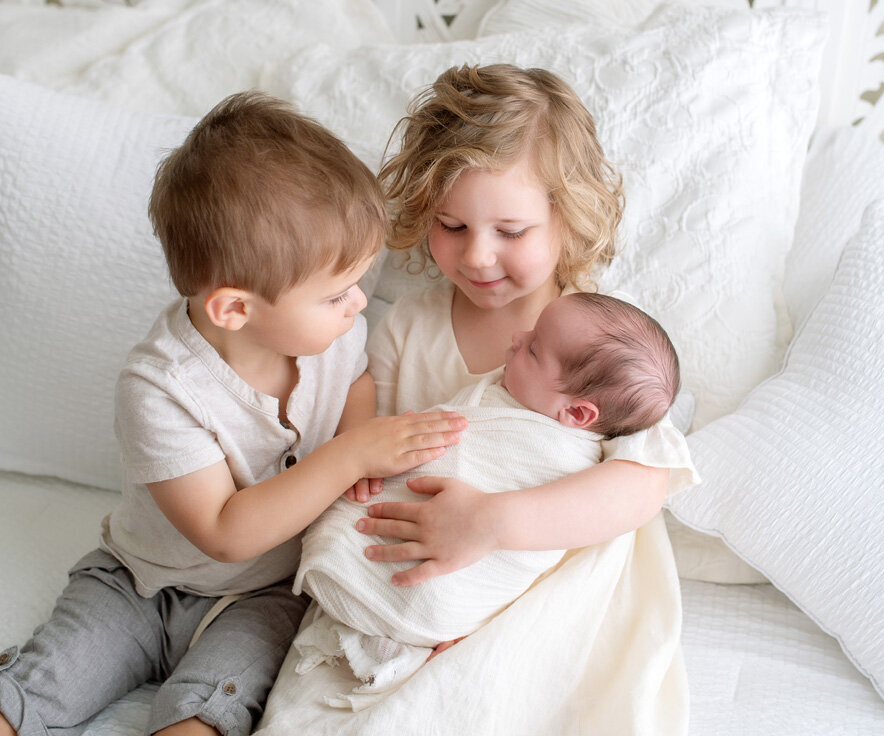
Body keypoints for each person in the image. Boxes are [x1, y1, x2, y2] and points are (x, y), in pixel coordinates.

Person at [0, 92, 467, 736]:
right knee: (31, 689)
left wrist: (356, 448)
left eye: (358, 283)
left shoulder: (332, 335)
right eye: (334, 293)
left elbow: (355, 380)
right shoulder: (160, 388)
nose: (358, 303)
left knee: (208, 711)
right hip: (138, 586)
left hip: (264, 596)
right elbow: (224, 530)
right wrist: (347, 456)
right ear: (234, 310)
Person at [292, 292, 682, 699]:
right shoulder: (421, 329)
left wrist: (489, 521)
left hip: (437, 596)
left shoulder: (573, 455)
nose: (518, 337)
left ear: (579, 415)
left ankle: (397, 625)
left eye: (532, 348)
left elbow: (636, 489)